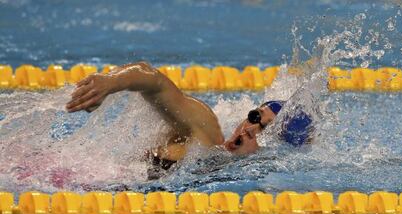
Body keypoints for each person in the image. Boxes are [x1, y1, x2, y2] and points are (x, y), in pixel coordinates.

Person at [66, 61, 313, 170]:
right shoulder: (204, 130)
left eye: (265, 130)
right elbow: (152, 78)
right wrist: (112, 82)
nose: (249, 128)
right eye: (254, 117)